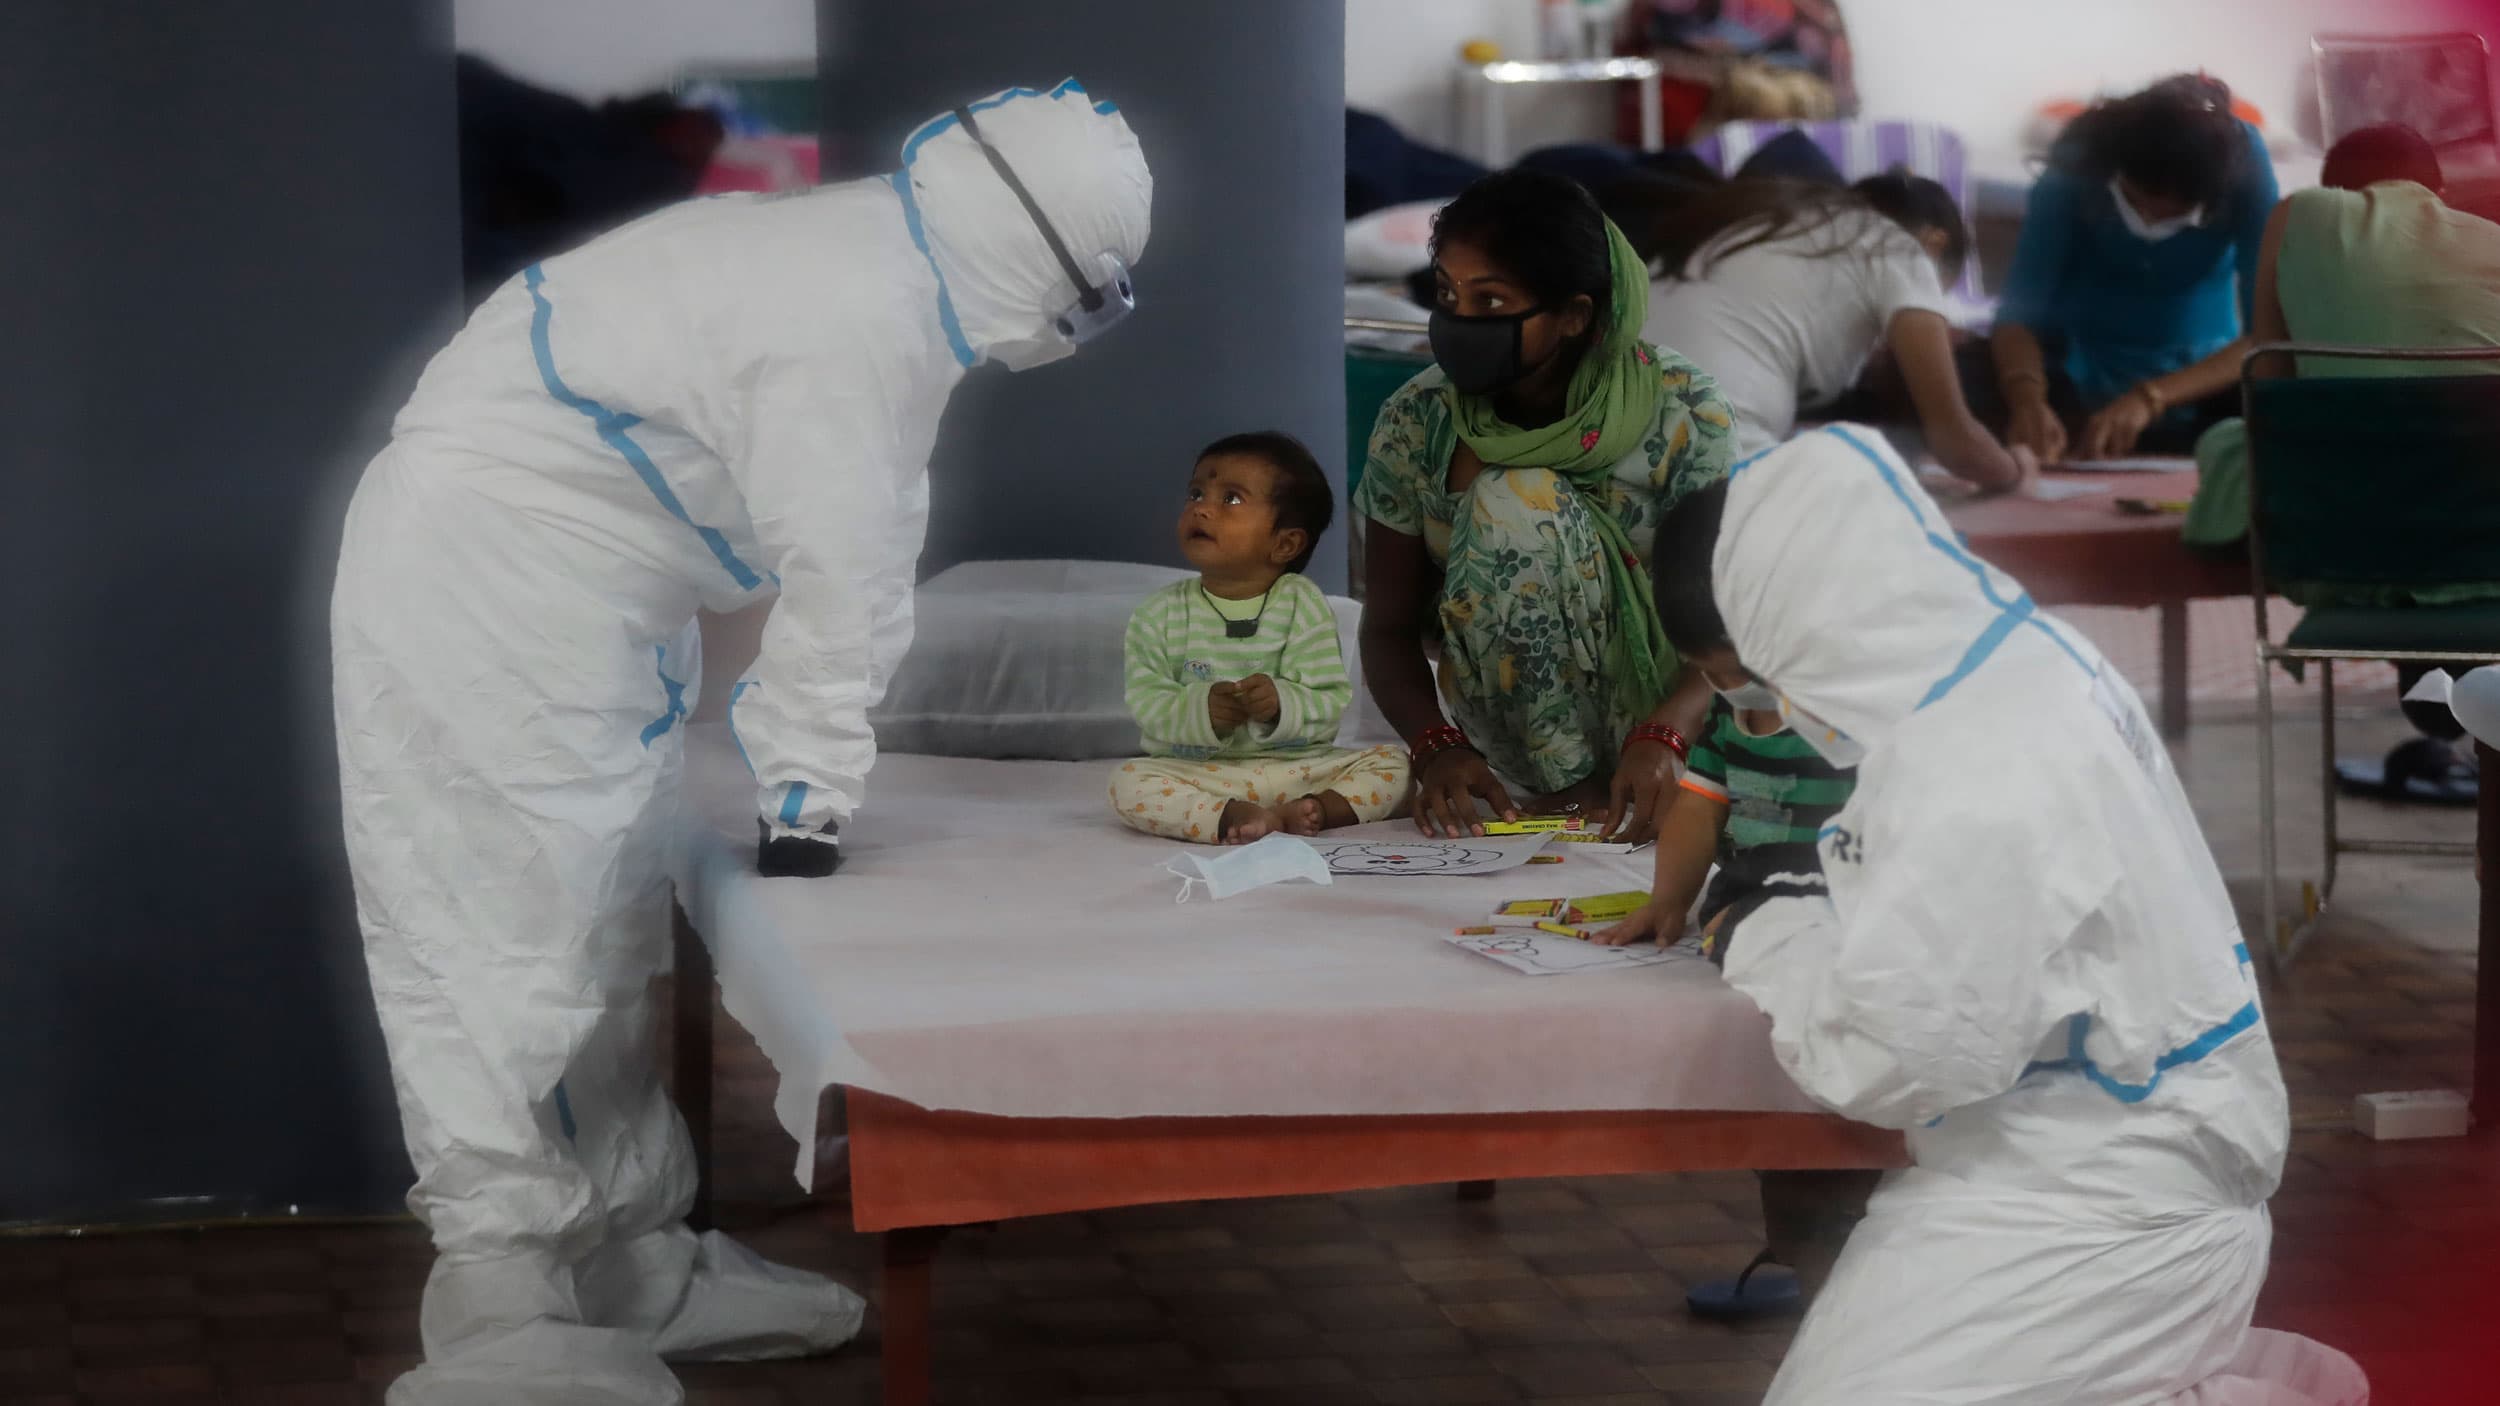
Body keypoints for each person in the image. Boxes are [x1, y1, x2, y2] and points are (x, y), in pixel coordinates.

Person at [330, 81, 1151, 1405]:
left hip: (576, 593)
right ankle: (503, 1311)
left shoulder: (875, 267)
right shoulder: (856, 319)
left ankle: (628, 1267)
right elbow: (849, 569)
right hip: (489, 587)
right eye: (1087, 295)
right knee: (502, 940)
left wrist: (804, 770)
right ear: (1036, 259)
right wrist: (810, 793)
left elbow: (856, 542)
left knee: (597, 937)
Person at [1636, 425, 2366, 1404]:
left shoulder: (1962, 757)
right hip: (2128, 1146)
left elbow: (1892, 1062)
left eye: (1745, 672)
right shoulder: (2010, 658)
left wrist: (1763, 928)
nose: (1755, 708)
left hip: (2092, 1200)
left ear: (1795, 620)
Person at [1356, 168, 1736, 846]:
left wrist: (1665, 733)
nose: (1459, 321)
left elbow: (1730, 617)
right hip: (1511, 738)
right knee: (1513, 499)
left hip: (1674, 717)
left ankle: (1630, 780)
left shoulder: (1680, 407)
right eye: (1447, 293)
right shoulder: (1419, 418)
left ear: (1574, 315)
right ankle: (1566, 790)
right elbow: (1385, 626)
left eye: (1492, 301)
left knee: (1514, 497)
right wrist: (1436, 746)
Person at [2181, 122, 2500, 806]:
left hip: (2348, 548)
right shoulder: (2490, 240)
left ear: (2334, 191)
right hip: (2487, 549)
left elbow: (2270, 383)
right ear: (2435, 194)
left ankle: (2437, 699)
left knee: (2242, 442)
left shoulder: (2299, 216)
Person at [1592, 648, 1876, 1320]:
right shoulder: (1729, 707)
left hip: (1834, 907)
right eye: (1710, 673)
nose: (1723, 685)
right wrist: (1670, 900)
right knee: (1779, 1109)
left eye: (1734, 667)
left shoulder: (1847, 712)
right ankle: (1807, 1254)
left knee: (1829, 1114)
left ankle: (1836, 1272)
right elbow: (1698, 809)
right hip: (1757, 908)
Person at [1645, 171, 2033, 490]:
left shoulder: (1769, 221)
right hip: (1709, 457)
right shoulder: (1902, 251)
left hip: (1606, 441)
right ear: (1934, 244)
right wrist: (2014, 470)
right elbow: (1956, 443)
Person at [1114, 432, 1410, 842]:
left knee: (1398, 766)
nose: (1202, 509)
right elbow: (1148, 704)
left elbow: (1328, 699)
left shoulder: (1302, 604)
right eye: (1196, 493)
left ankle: (1316, 810)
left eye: (1230, 499)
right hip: (1204, 772)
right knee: (1129, 782)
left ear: (1285, 543)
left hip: (1301, 767)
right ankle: (1231, 814)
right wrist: (1203, 710)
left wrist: (1278, 704)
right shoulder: (1158, 613)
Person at [1983, 75, 2279, 463]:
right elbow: (2017, 315)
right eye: (2137, 202)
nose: (2150, 220)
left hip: (2201, 376)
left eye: (2173, 214)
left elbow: (2268, 336)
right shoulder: (2082, 153)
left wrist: (2149, 398)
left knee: (2279, 408)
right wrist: (2027, 401)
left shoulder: (2246, 167)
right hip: (2072, 366)